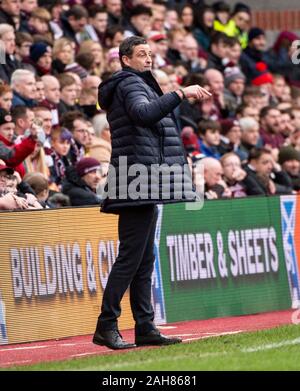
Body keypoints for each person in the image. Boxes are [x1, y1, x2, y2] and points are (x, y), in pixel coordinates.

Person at [93, 36, 211, 350]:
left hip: (145, 178)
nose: (148, 58)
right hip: (137, 179)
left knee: (145, 258)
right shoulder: (128, 83)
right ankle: (106, 325)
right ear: (125, 59)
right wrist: (179, 93)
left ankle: (145, 327)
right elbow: (144, 114)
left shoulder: (139, 82)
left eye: (150, 53)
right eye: (142, 54)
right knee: (131, 258)